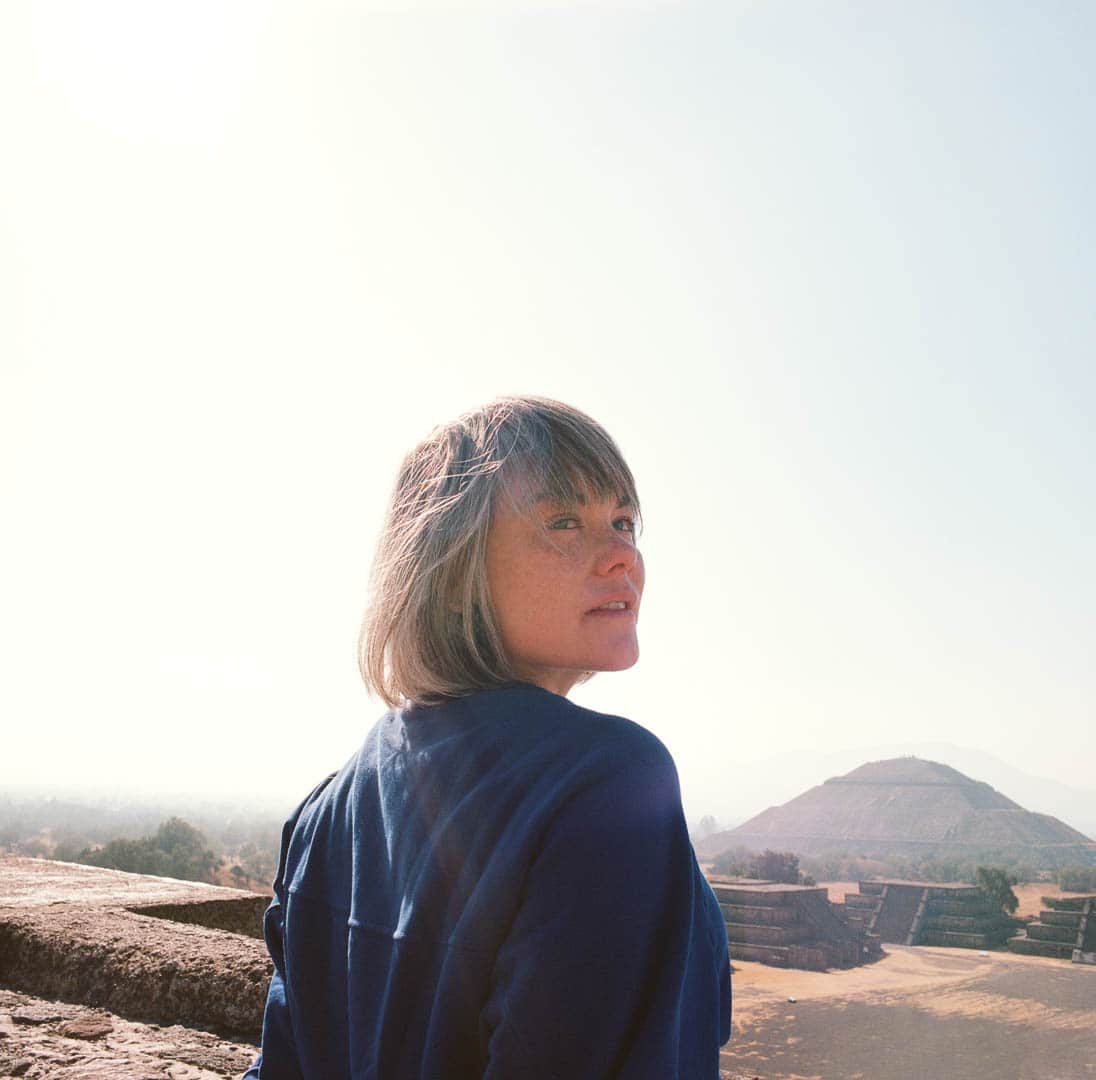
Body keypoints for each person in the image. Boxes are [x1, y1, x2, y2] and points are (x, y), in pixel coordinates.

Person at [244, 396, 731, 1079]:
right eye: (565, 522)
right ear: (449, 574)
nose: (623, 554)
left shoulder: (326, 812)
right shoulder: (608, 783)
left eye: (624, 520)